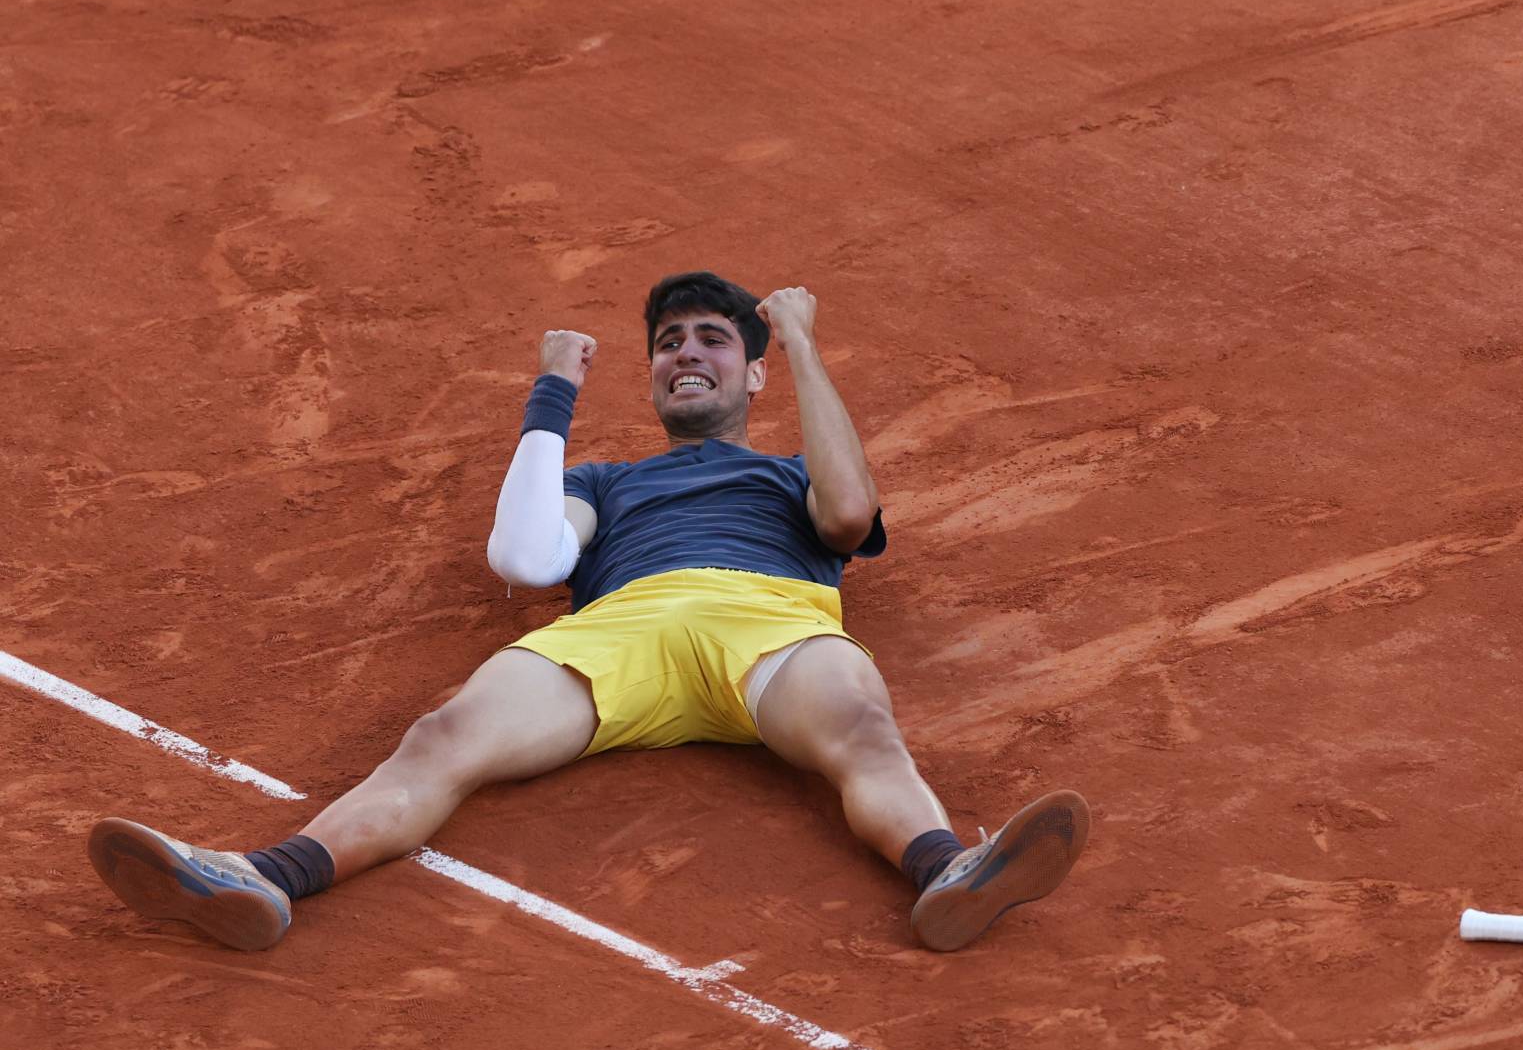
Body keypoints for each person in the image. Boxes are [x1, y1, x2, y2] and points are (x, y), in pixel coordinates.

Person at [87, 272, 1089, 954]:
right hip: (620, 635)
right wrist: (552, 396)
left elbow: (850, 510)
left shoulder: (792, 474)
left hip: (771, 620)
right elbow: (525, 557)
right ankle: (265, 877)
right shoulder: (604, 479)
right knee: (444, 735)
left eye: (710, 340)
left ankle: (947, 867)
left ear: (754, 370)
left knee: (863, 729)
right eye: (666, 344)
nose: (682, 355)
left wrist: (807, 341)